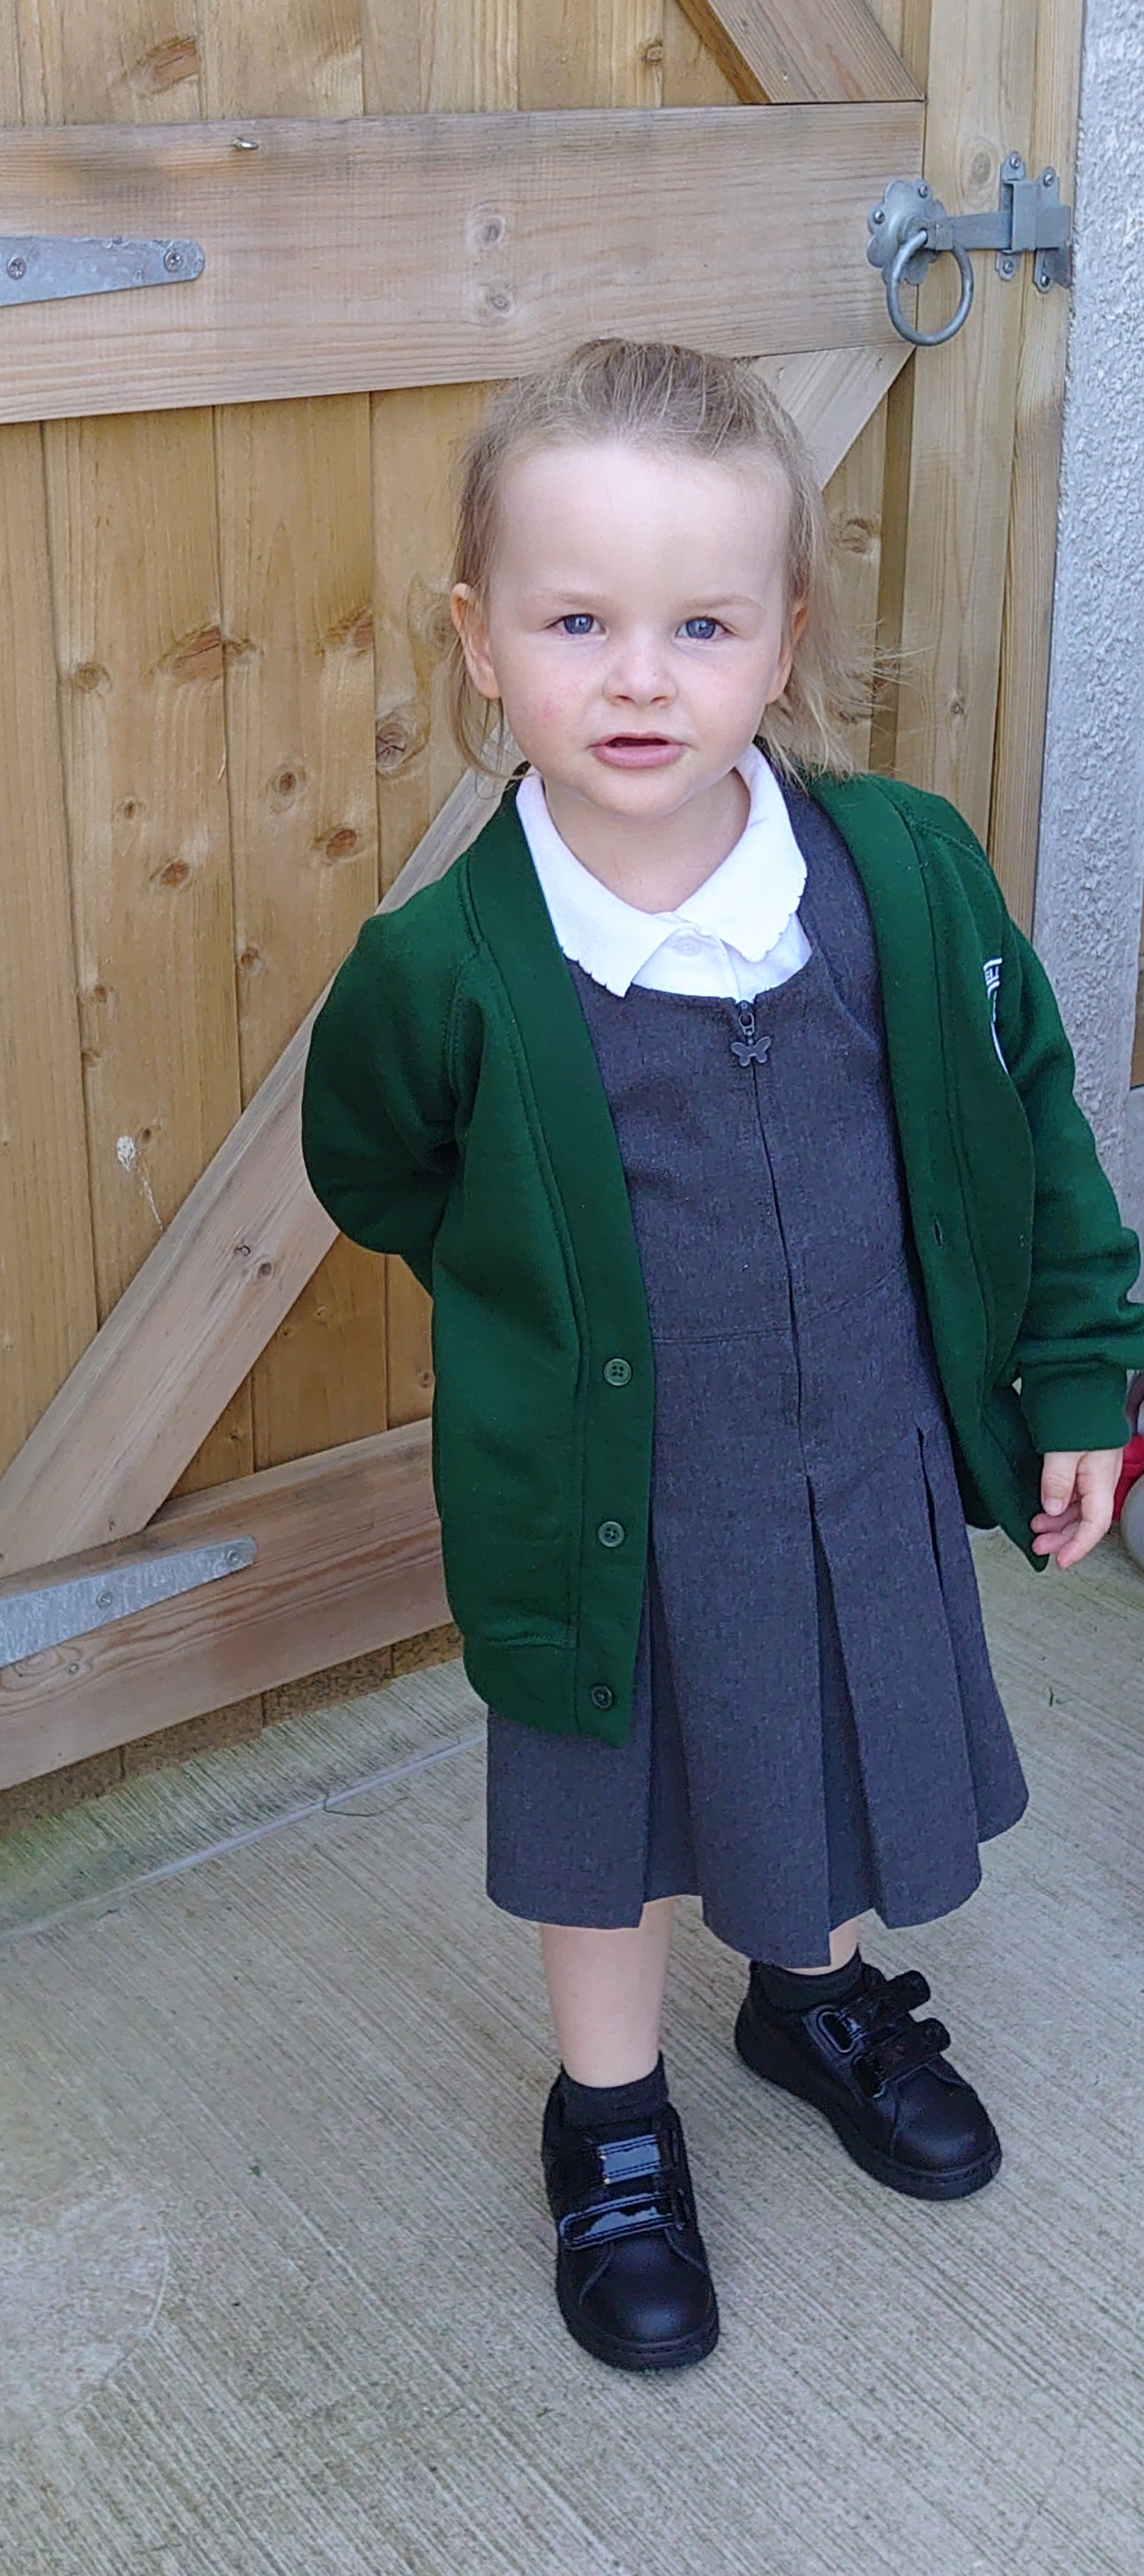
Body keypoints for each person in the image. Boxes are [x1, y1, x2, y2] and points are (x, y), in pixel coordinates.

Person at [301, 338, 1144, 2375]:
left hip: (853, 1460)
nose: (638, 676)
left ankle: (805, 1994)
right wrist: (554, 1295)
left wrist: (1082, 1377)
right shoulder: (445, 970)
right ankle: (607, 2123)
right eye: (574, 620)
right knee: (610, 1810)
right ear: (476, 644)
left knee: (821, 1731)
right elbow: (380, 1169)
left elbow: (1029, 1135)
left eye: (701, 623)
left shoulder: (903, 877)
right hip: (612, 1507)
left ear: (782, 645)